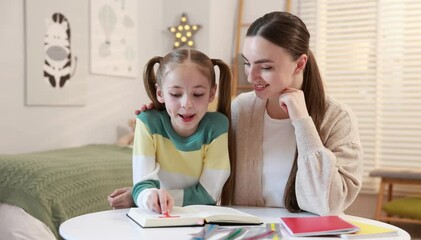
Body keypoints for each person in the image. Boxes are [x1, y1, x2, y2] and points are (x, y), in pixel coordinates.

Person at [109, 11, 362, 216]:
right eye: (247, 63)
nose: (250, 77)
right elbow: (192, 151)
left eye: (265, 66)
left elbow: (328, 205)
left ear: (300, 63)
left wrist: (302, 122)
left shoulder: (337, 119)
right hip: (246, 232)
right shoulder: (241, 109)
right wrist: (161, 113)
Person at [108, 48, 234, 214]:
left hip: (198, 219)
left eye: (197, 94)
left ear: (211, 93)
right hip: (158, 217)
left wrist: (144, 198)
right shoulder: (147, 123)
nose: (186, 103)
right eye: (175, 94)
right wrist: (146, 197)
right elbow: (143, 185)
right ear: (160, 93)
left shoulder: (217, 127)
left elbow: (208, 195)